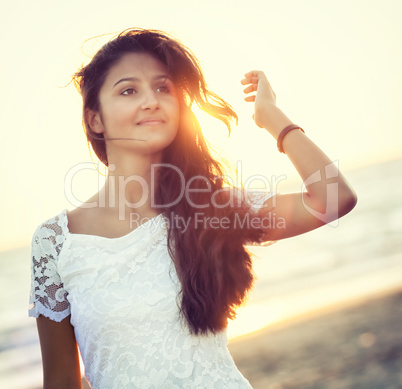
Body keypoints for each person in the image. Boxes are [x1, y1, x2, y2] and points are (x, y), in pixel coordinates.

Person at [28, 28, 357, 388]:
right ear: (95, 119)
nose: (151, 100)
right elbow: (60, 380)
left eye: (163, 87)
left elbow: (333, 198)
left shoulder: (210, 206)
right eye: (128, 90)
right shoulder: (56, 242)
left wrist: (271, 117)